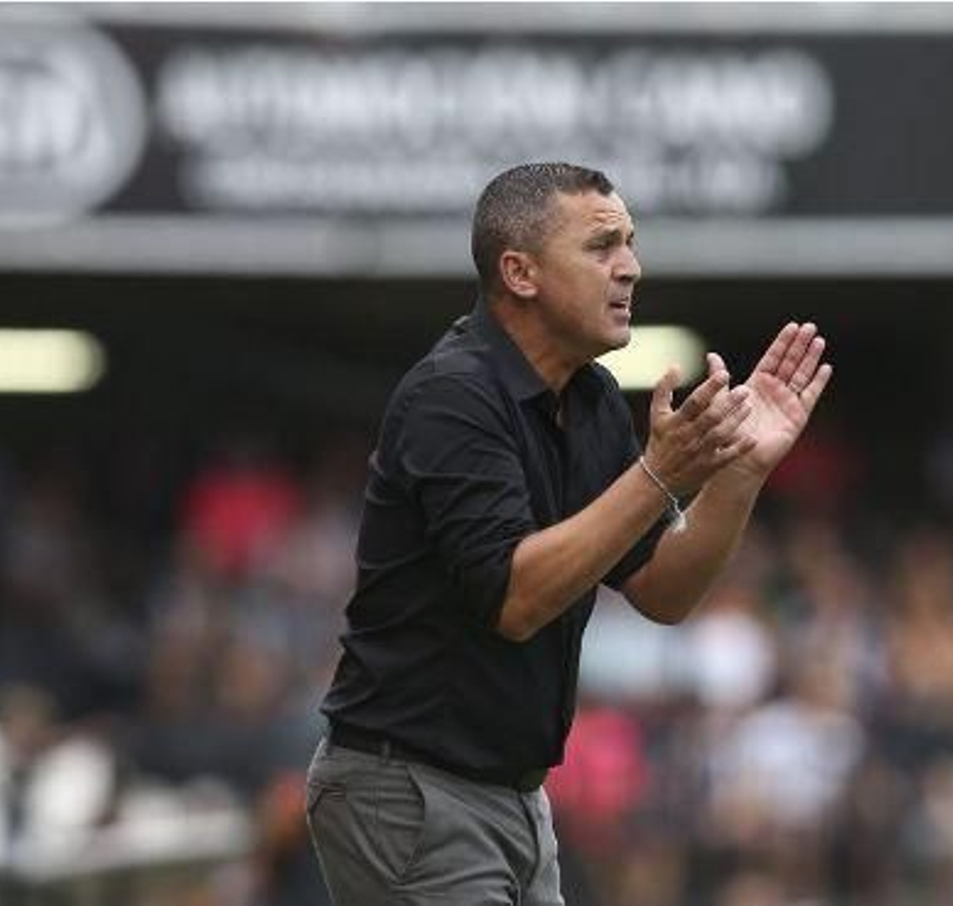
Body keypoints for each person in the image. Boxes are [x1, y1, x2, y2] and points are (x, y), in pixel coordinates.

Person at [304, 161, 832, 905]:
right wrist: (657, 474)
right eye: (601, 246)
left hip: (514, 795)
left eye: (630, 243)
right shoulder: (452, 396)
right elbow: (516, 599)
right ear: (519, 273)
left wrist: (738, 472)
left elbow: (663, 590)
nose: (630, 267)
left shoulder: (591, 399)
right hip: (410, 789)